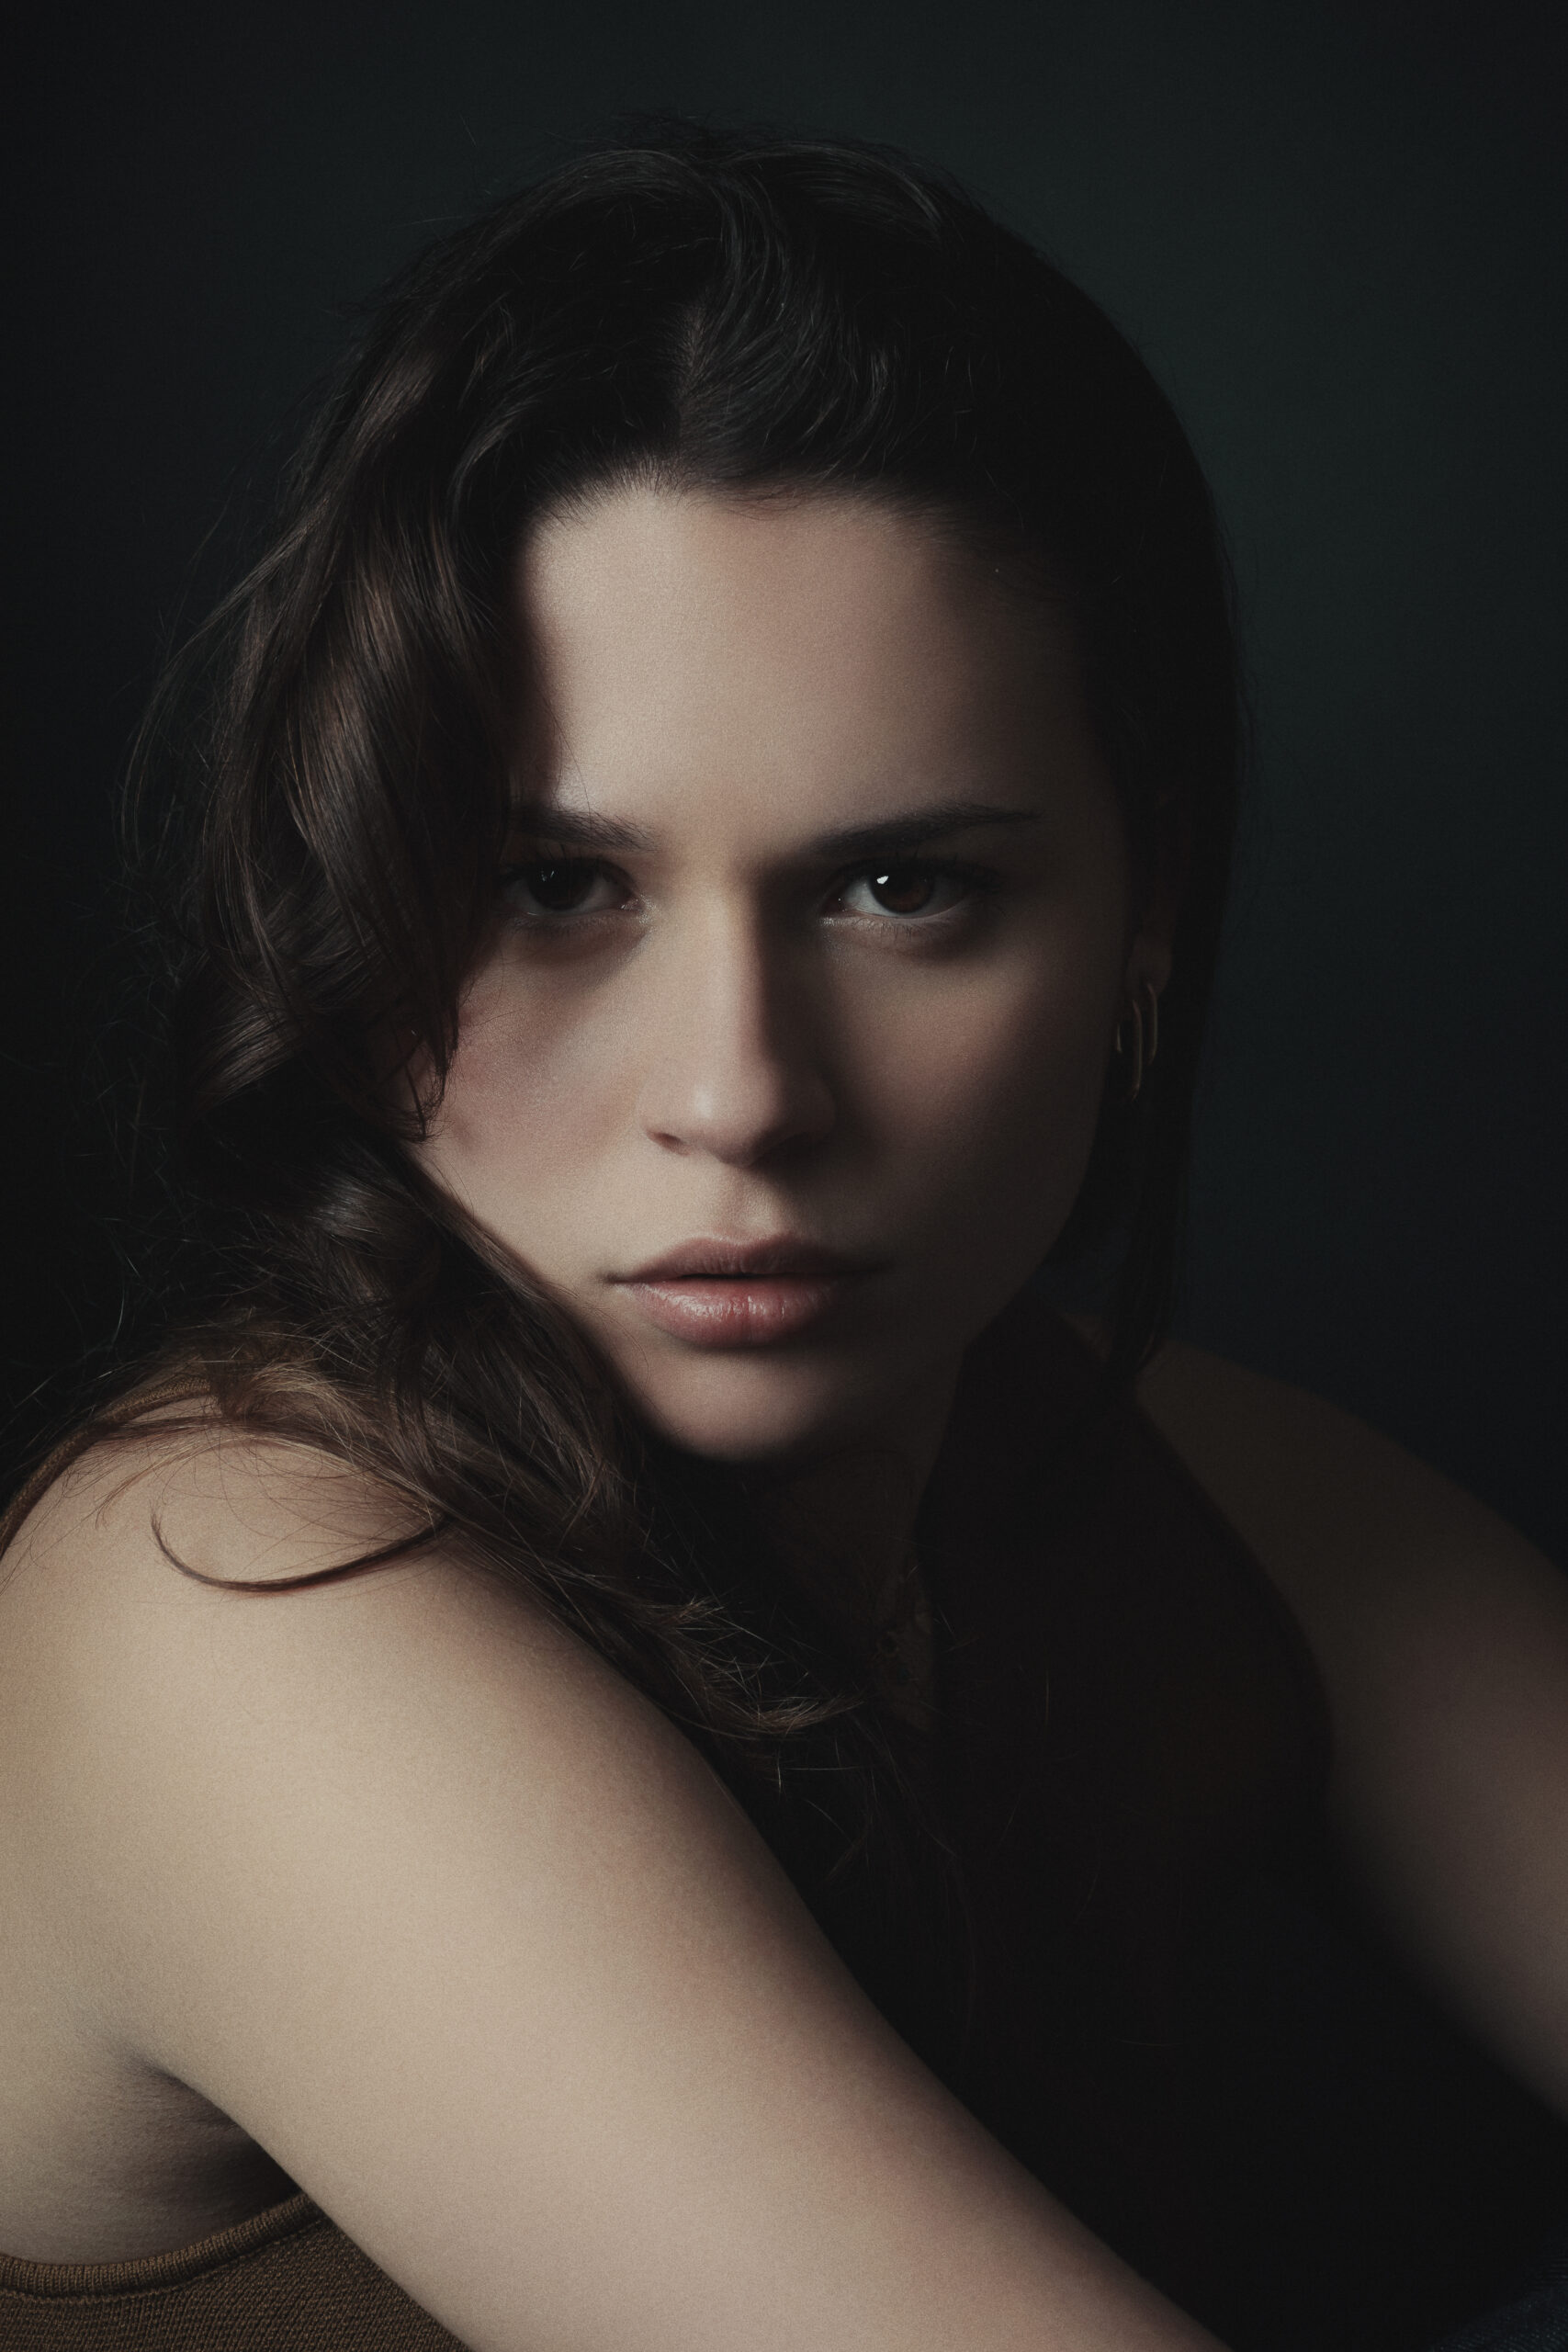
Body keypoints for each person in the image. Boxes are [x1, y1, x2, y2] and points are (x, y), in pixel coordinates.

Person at [1, 123, 1565, 2352]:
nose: (736, 1093)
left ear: (1143, 910)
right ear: (359, 909)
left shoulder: (1175, 1484)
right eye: (557, 887)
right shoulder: (225, 1599)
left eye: (900, 887)